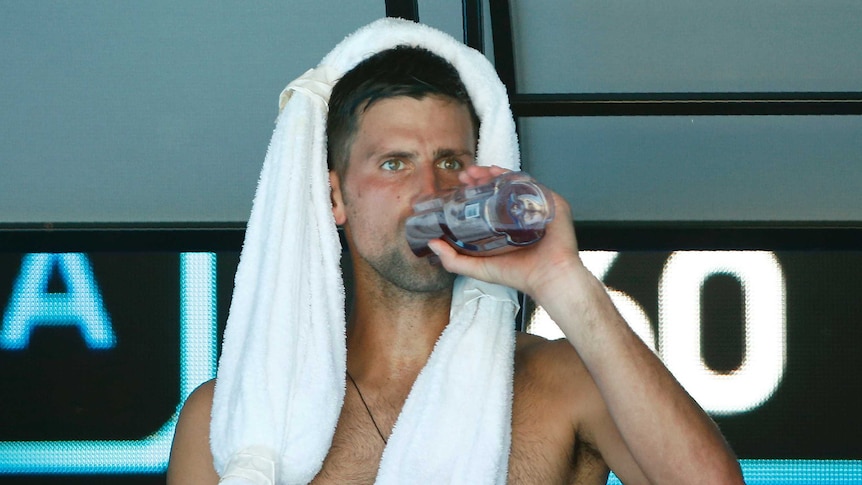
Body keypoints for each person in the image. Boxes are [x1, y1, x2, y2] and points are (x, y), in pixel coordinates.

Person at [168, 22, 744, 485]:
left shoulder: (560, 384)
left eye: (450, 161)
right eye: (394, 163)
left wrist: (563, 279)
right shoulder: (231, 419)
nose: (430, 190)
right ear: (335, 197)